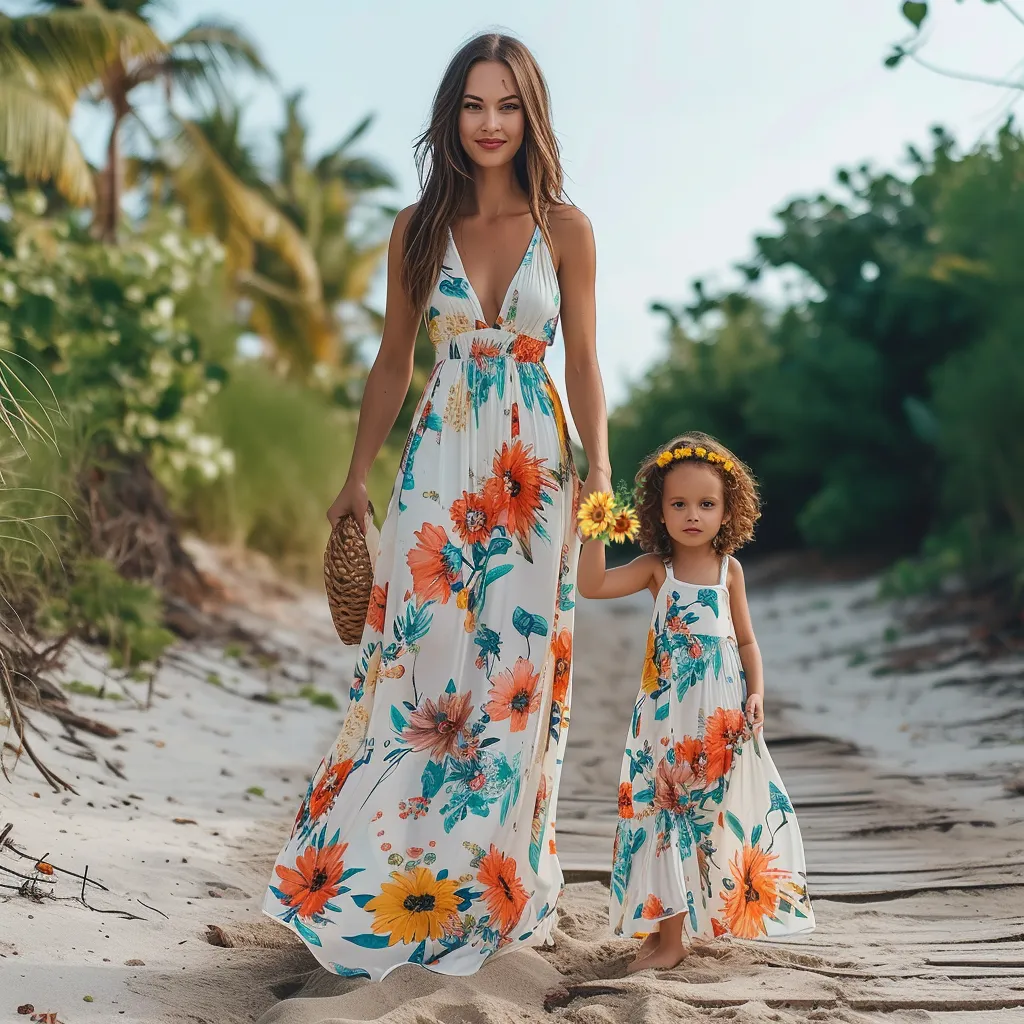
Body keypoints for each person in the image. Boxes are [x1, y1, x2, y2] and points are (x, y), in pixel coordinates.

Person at [262, 33, 611, 980]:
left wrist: (603, 473)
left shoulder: (566, 228)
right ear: (450, 116)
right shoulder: (416, 227)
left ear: (529, 115)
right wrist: (353, 474)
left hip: (537, 473)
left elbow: (581, 360)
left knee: (518, 680)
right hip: (439, 469)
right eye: (473, 105)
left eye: (507, 106)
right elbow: (392, 360)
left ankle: (492, 885)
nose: (490, 124)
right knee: (419, 666)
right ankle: (390, 874)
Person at [577, 433, 814, 973]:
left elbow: (747, 642)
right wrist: (596, 521)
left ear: (728, 509)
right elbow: (590, 585)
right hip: (664, 718)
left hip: (720, 718)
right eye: (678, 504)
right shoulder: (656, 568)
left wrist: (757, 693)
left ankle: (677, 935)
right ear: (658, 510)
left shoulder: (729, 569)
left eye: (706, 504)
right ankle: (666, 935)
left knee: (704, 819)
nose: (692, 515)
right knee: (662, 814)